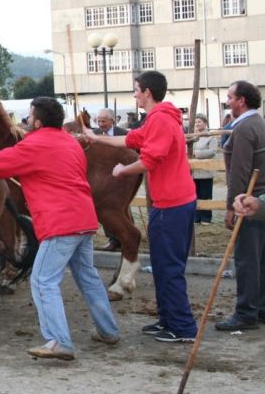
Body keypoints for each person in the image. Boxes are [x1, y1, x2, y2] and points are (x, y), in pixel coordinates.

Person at [0, 96, 119, 361]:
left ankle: (59, 341)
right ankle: (108, 331)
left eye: (30, 114)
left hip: (60, 223)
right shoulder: (69, 142)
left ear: (37, 120)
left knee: (42, 280)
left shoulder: (34, 145)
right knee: (88, 277)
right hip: (84, 219)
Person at [84, 71, 198, 343]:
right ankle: (168, 320)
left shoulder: (160, 120)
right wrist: (96, 138)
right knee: (161, 264)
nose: (134, 94)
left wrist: (123, 170)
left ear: (147, 92)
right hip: (167, 202)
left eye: (136, 89)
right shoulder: (157, 119)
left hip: (173, 204)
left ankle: (182, 327)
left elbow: (150, 160)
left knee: (169, 266)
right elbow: (129, 140)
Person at [215, 81, 265, 331]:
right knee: (261, 259)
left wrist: (232, 206)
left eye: (229, 96)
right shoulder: (259, 123)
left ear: (241, 100)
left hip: (249, 201)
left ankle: (246, 312)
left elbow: (240, 171)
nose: (227, 101)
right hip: (261, 201)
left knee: (246, 260)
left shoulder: (245, 128)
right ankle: (260, 308)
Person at [93, 108, 129, 251]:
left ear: (112, 120)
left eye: (104, 121)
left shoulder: (123, 134)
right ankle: (113, 240)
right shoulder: (94, 135)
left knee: (122, 209)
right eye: (99, 121)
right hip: (101, 178)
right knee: (105, 208)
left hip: (122, 176)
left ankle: (124, 238)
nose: (101, 124)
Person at [189, 114, 218, 225]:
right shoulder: (192, 136)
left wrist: (196, 154)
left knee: (205, 195)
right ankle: (196, 217)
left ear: (205, 123)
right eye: (196, 122)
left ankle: (206, 218)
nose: (197, 124)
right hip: (194, 172)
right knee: (194, 195)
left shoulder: (211, 136)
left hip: (206, 172)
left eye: (199, 122)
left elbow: (212, 151)